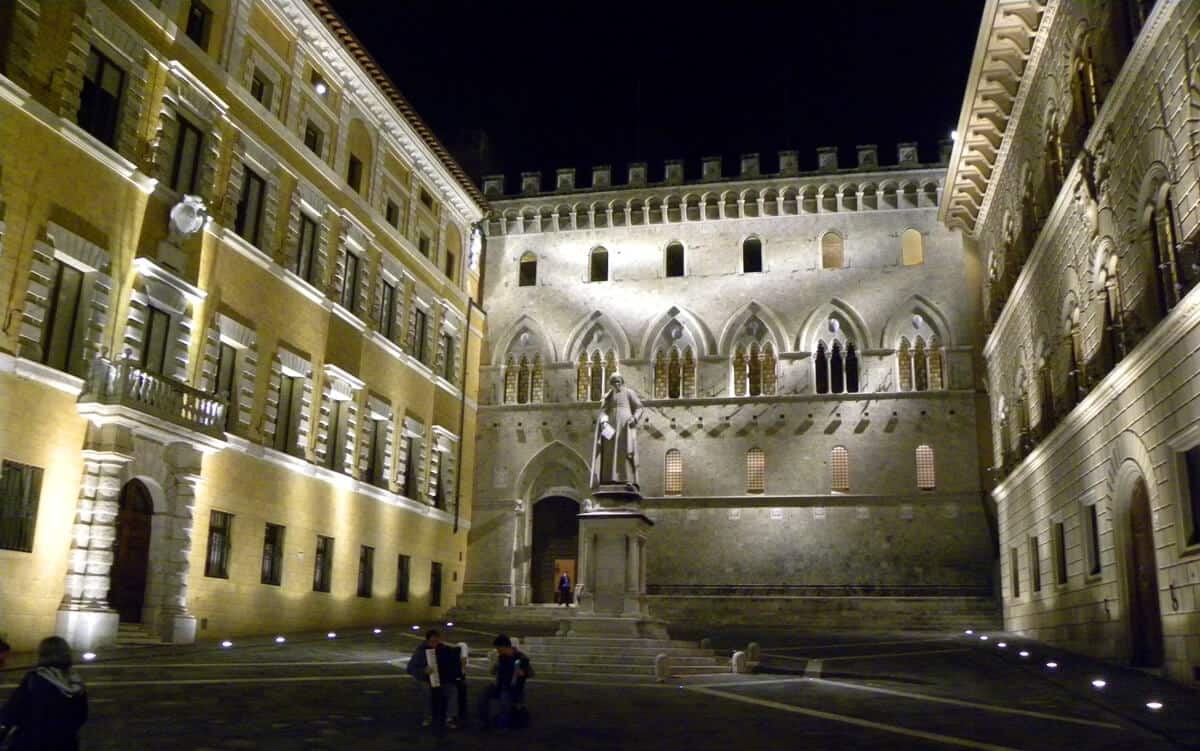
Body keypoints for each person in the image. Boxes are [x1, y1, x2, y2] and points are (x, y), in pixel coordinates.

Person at [0, 636, 88, 751]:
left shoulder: (36, 679)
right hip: (65, 743)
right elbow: (81, 716)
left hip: (32, 742)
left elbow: (12, 711)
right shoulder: (75, 681)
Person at [477, 634, 533, 731]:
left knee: (505, 696)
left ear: (504, 646)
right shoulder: (501, 657)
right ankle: (484, 721)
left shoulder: (520, 658)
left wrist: (523, 672)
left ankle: (504, 723)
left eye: (498, 648)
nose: (498, 651)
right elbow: (493, 672)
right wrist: (495, 666)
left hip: (513, 688)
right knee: (485, 693)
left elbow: (531, 673)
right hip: (501, 685)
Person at [405, 629, 440, 727]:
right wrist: (423, 671)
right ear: (427, 641)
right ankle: (427, 717)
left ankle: (450, 717)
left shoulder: (442, 649)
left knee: (452, 689)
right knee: (426, 691)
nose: (435, 644)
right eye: (433, 642)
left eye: (437, 642)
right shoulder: (421, 651)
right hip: (424, 678)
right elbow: (410, 668)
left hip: (440, 679)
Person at [430, 640, 467, 731]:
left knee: (453, 690)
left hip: (445, 680)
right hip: (436, 680)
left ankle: (450, 716)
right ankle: (447, 717)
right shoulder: (429, 652)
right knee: (451, 690)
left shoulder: (449, 653)